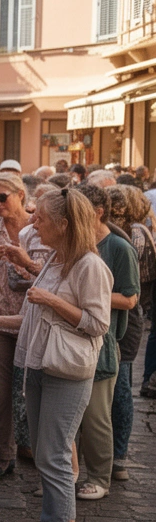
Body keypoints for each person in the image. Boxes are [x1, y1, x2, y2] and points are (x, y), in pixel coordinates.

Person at [0, 189, 111, 522]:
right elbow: (34, 319)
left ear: (65, 225)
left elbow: (97, 325)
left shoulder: (89, 266)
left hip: (66, 373)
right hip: (40, 367)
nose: (34, 223)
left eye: (42, 218)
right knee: (44, 452)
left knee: (52, 457)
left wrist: (51, 302)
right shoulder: (55, 258)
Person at [71, 183, 138, 501]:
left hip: (104, 340)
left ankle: (100, 477)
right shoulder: (78, 243)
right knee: (76, 415)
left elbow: (130, 298)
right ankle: (74, 473)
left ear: (97, 212)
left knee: (97, 416)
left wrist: (88, 296)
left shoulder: (118, 247)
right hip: (76, 339)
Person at [0, 172, 39, 480]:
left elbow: (56, 272)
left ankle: (38, 451)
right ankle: (5, 455)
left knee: (35, 392)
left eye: (2, 197)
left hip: (34, 321)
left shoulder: (40, 229)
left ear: (20, 196)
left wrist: (26, 262)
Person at [107, 185, 154, 481]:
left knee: (121, 385)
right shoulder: (137, 231)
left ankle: (118, 456)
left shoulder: (133, 234)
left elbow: (128, 283)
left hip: (127, 316)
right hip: (125, 314)